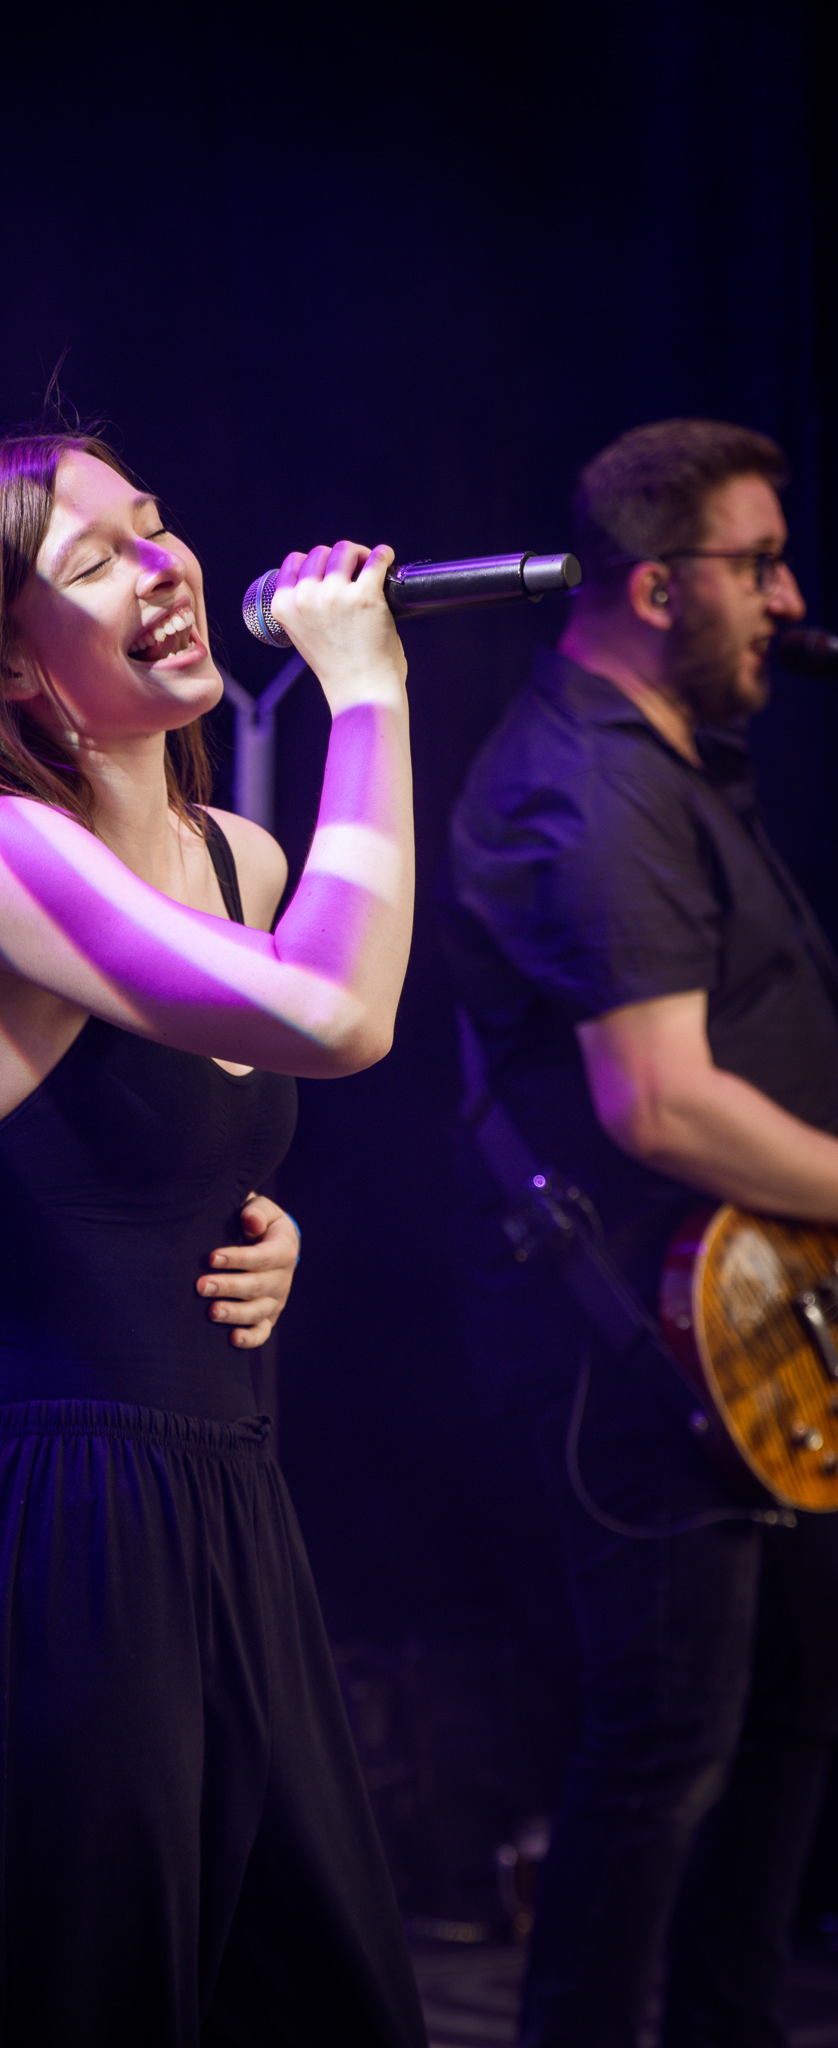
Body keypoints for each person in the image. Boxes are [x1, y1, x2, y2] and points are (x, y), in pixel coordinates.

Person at [0, 426, 426, 2046]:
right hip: (72, 1543)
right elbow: (334, 1013)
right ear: (3, 663)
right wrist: (367, 697)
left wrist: (260, 1229)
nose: (163, 566)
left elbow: (192, 1124)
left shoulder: (238, 860)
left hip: (233, 1518)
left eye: (155, 525)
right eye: (95, 559)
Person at [444, 418, 838, 2048]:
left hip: (748, 1326)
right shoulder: (590, 788)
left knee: (785, 1721)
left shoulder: (660, 761)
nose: (790, 599)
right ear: (659, 586)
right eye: (761, 564)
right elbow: (658, 1105)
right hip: (644, 1350)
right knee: (663, 1747)